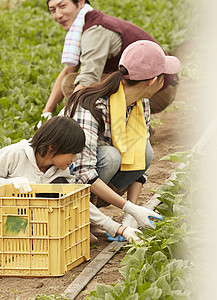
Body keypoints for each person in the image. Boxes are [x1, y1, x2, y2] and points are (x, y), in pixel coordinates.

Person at [60, 40, 180, 233]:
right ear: (151, 81)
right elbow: (83, 172)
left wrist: (130, 217)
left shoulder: (141, 104)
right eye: (163, 77)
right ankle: (81, 218)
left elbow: (140, 162)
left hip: (92, 181)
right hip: (64, 181)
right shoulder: (92, 106)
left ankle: (92, 216)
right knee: (110, 156)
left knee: (145, 151)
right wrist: (129, 207)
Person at [0, 116, 159, 243]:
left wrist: (120, 229)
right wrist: (9, 184)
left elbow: (79, 202)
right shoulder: (15, 154)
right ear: (53, 147)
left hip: (34, 226)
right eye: (72, 153)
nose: (75, 159)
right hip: (7, 220)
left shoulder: (61, 174)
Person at [41, 0, 180, 122]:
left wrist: (61, 124)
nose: (58, 15)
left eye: (63, 6)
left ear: (81, 2)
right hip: (154, 84)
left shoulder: (95, 31)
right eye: (53, 10)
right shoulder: (86, 25)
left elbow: (87, 80)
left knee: (71, 85)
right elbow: (68, 70)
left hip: (159, 90)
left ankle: (125, 127)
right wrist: (46, 113)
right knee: (70, 80)